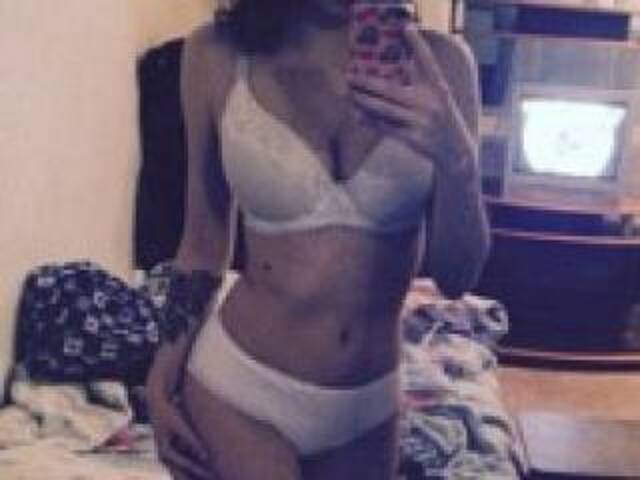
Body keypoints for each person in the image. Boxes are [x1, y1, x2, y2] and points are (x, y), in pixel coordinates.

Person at [145, 0, 490, 479]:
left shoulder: (444, 65)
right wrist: (160, 379)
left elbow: (457, 276)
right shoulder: (217, 54)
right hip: (239, 391)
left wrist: (458, 161)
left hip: (368, 409)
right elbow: (203, 244)